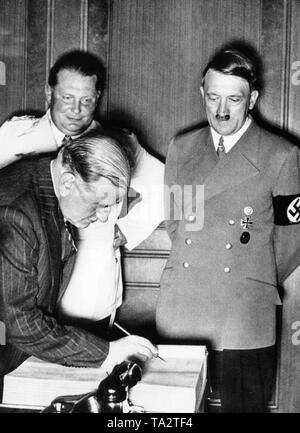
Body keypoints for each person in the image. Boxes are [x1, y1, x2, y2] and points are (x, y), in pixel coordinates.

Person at [157, 43, 300, 412]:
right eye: (214, 97)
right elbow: (178, 222)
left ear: (252, 99)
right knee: (175, 412)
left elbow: (291, 239)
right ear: (202, 93)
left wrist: (251, 277)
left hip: (243, 311)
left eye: (233, 100)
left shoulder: (281, 154)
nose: (221, 111)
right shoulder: (183, 147)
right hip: (183, 307)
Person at [0, 50, 164, 327]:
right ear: (49, 92)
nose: (76, 110)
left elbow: (177, 190)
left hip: (88, 288)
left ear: (97, 98)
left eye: (86, 100)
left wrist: (127, 230)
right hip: (26, 284)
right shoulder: (16, 134)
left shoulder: (119, 144)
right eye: (67, 98)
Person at [0, 132, 158, 378]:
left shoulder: (54, 187)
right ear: (67, 183)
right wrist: (106, 352)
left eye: (112, 205)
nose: (104, 217)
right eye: (100, 204)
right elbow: (19, 324)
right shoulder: (16, 213)